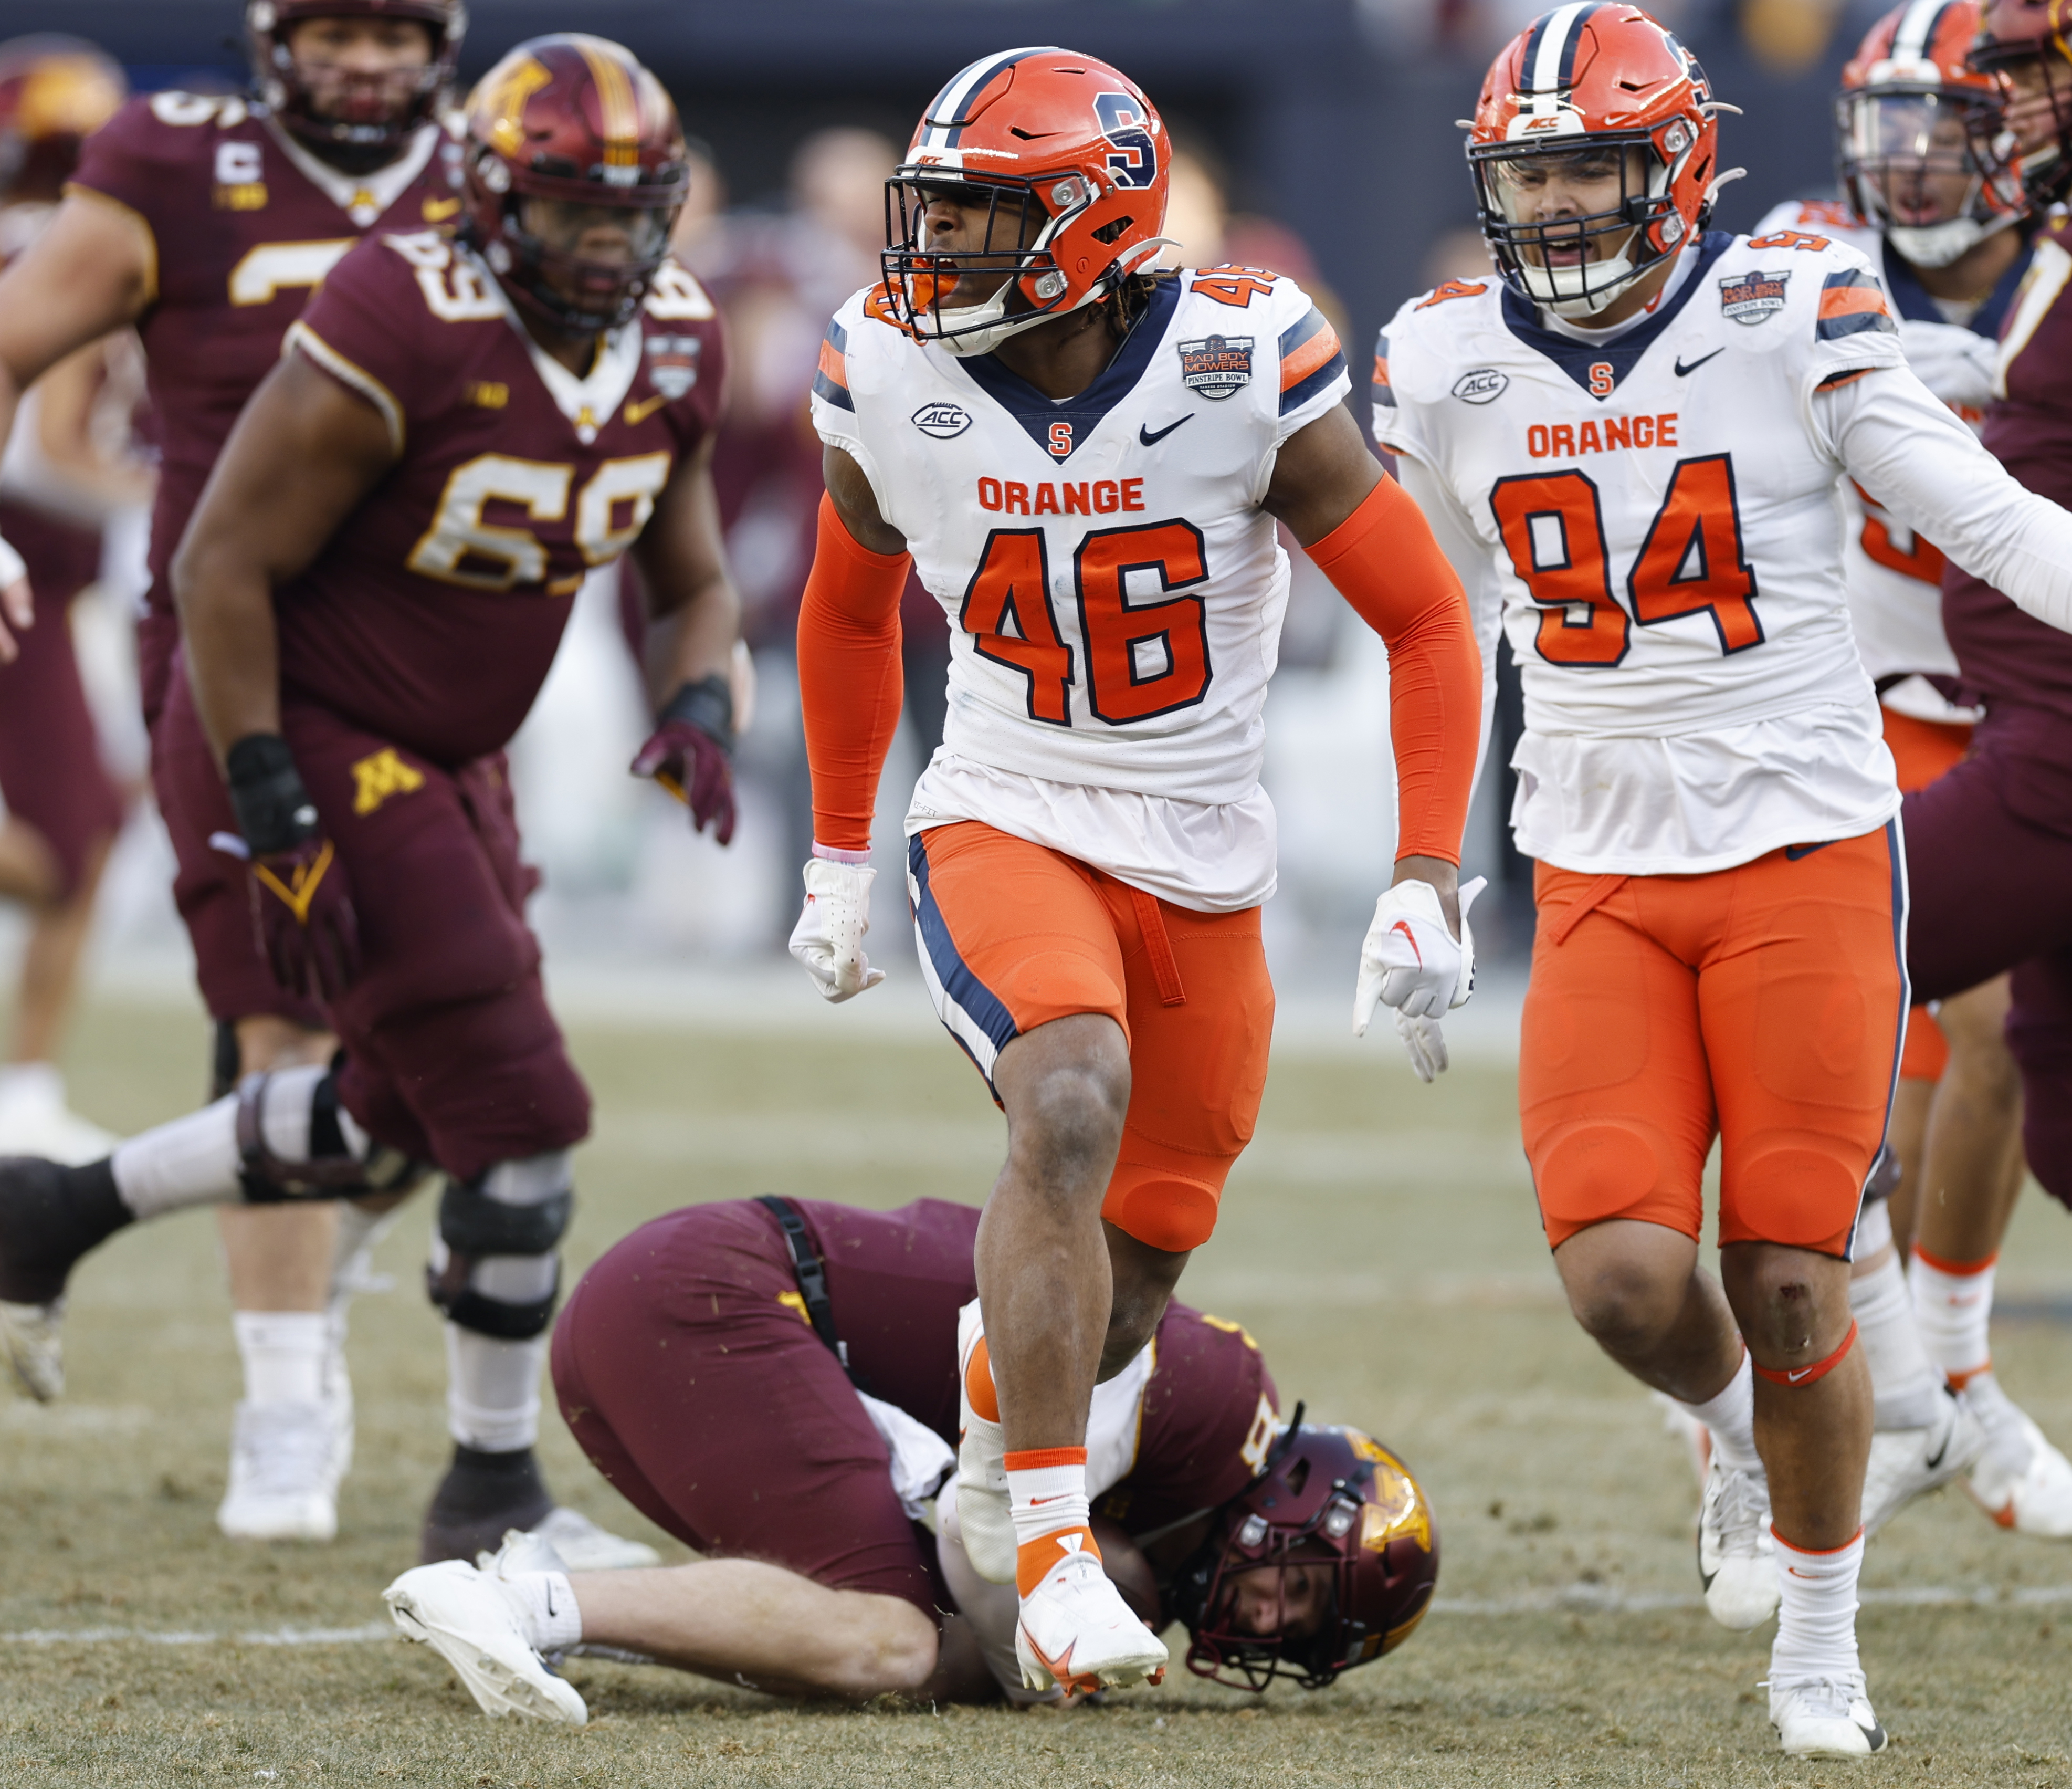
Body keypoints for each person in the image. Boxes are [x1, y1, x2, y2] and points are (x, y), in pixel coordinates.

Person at [1373, 3, 2072, 1759]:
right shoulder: (1443, 355)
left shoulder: (1783, 309)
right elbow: (1426, 627)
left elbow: (1984, 519)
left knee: (1788, 1272)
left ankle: (1820, 1637)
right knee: (1620, 1273)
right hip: (1593, 865)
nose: (1551, 217)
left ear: (1670, 169)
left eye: (1587, 174)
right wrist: (1417, 868)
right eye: (1524, 182)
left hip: (1802, 856)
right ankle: (1721, 1438)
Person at [786, 47, 1482, 1694]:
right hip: (1007, 808)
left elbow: (1425, 617)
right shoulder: (884, 360)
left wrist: (1430, 868)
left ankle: (977, 1483)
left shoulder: (1242, 360)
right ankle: (1044, 1557)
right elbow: (846, 604)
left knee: (1140, 1266)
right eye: (930, 215)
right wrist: (835, 854)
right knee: (1069, 1099)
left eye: (976, 221)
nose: (929, 255)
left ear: (1092, 225)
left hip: (1200, 856)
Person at [0, 32, 737, 1567]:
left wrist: (701, 699)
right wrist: (267, 786)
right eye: (565, 214)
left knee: (410, 1101)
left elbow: (693, 577)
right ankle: (437, 1466)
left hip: (449, 722)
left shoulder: (667, 327)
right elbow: (212, 552)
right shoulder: (365, 273)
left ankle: (59, 1209)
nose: (602, 247)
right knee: (496, 1092)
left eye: (626, 212)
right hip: (283, 693)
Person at [0, 0, 469, 1541]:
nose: (362, 62)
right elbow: (13, 338)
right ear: (275, 34)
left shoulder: (491, 171)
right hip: (233, 643)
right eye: (332, 26)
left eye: (392, 30)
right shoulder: (174, 158)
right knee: (281, 1012)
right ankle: (286, 1404)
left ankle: (85, 1212)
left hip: (446, 654)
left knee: (455, 1058)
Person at [380, 1194, 1440, 1719]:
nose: (1267, 1622)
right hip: (721, 1297)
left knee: (901, 1641)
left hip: (699, 1315)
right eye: (1295, 1592)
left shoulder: (1182, 1486)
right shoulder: (1212, 1405)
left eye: (1298, 1637)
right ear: (1290, 1505)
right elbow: (993, 1540)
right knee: (893, 1642)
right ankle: (519, 1603)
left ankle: (558, 1596)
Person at [1750, 0, 2045, 1540]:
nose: (1912, 167)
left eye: (1946, 129)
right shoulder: (1800, 259)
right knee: (1843, 1052)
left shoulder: (2057, 281)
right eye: (1889, 130)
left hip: (2006, 696)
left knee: (1996, 1033)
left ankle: (1954, 1367)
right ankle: (1804, 1407)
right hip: (1842, 694)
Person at [1887, 0, 2072, 1539]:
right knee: (2059, 1112)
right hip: (1958, 710)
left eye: (2027, 74)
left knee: (1793, 957)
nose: (1995, 110)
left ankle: (1881, 1385)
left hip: (2047, 754)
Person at [0, 37, 140, 1169]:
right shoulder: (68, 257)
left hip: (47, 581)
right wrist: (169, 505)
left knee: (87, 834)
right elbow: (43, 458)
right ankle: (24, 1088)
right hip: (24, 576)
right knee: (70, 842)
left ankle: (25, 1087)